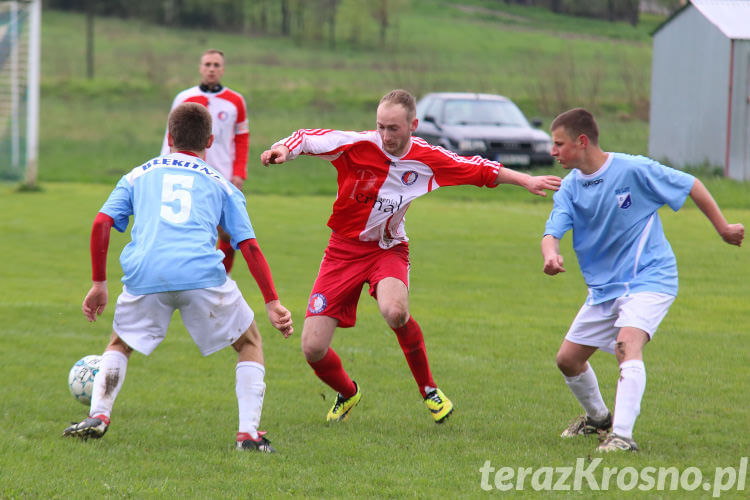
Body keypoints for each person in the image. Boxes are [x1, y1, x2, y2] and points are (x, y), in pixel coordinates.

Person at [260, 89, 561, 424]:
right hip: (342, 251)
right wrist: (282, 149)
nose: (386, 135)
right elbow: (307, 138)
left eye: (394, 129)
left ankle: (429, 390)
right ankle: (348, 392)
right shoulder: (356, 144)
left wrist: (526, 179)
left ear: (413, 125)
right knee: (312, 348)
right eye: (381, 127)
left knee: (394, 310)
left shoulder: (427, 159)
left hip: (387, 249)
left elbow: (478, 170)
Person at [64, 102, 293, 453]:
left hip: (146, 273)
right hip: (200, 273)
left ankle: (99, 415)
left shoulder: (138, 175)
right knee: (248, 343)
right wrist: (272, 301)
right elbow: (248, 245)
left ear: (169, 137)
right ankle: (248, 435)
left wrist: (99, 283)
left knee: (119, 343)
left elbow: (100, 223)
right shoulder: (223, 185)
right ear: (211, 140)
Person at [541, 108, 744, 452]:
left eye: (559, 144)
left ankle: (622, 437)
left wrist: (723, 228)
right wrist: (550, 253)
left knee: (626, 345)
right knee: (568, 360)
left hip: (649, 278)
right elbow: (552, 231)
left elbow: (690, 184)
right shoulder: (571, 188)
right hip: (605, 289)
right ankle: (599, 419)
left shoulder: (632, 169)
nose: (552, 151)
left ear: (582, 141)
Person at [161, 49, 249, 274]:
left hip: (222, 174)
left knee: (228, 232)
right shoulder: (184, 98)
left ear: (223, 69)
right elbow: (170, 136)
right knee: (191, 227)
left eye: (216, 65)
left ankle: (223, 277)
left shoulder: (235, 101)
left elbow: (241, 138)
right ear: (200, 68)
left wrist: (239, 172)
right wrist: (165, 165)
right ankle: (187, 275)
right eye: (208, 64)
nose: (212, 69)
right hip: (189, 173)